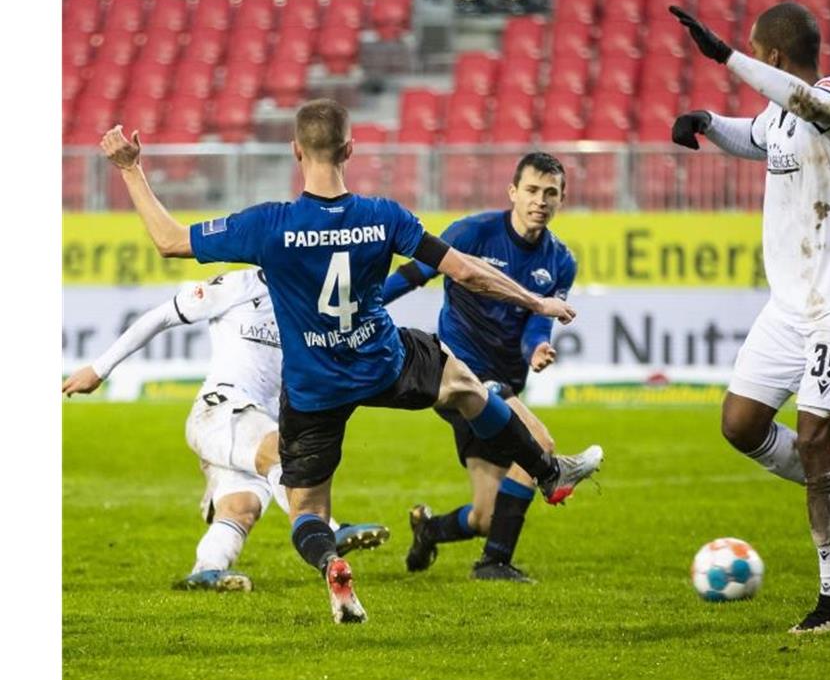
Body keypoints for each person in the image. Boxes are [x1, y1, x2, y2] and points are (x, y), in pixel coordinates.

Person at [97, 98, 602, 625]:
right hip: (383, 359)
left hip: (315, 386)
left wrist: (131, 169)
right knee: (465, 384)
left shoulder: (269, 225)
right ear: (350, 148)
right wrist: (536, 301)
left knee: (307, 508)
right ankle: (548, 471)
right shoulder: (384, 217)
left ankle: (332, 565)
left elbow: (170, 240)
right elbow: (466, 272)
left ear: (296, 151)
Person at [669, 3, 830, 634]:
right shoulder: (779, 114)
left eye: (750, 50)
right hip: (792, 305)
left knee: (819, 440)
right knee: (741, 425)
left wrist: (722, 57)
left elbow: (804, 105)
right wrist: (708, 122)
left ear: (769, 55)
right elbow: (760, 134)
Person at [62, 268, 390, 592]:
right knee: (282, 454)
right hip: (220, 409)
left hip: (260, 420)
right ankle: (329, 530)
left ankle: (206, 571)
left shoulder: (314, 301)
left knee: (241, 507)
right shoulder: (238, 285)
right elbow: (161, 316)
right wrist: (98, 369)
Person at [382, 152, 589, 583]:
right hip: (459, 373)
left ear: (562, 199)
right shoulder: (472, 233)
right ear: (513, 192)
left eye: (551, 193)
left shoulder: (560, 261)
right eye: (532, 190)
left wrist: (537, 350)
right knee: (539, 444)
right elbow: (414, 274)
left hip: (506, 383)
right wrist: (362, 307)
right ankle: (493, 564)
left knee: (485, 515)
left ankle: (430, 529)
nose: (540, 201)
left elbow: (537, 322)